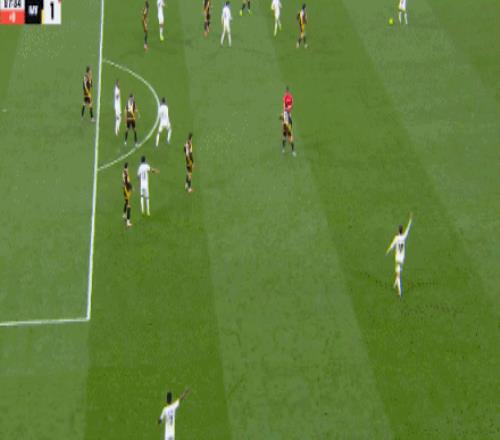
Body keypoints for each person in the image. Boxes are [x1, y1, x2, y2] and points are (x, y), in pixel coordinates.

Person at [386, 214, 413, 297]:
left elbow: (392, 245)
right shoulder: (404, 237)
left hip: (397, 257)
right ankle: (395, 285)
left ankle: (400, 292)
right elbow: (408, 229)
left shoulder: (396, 238)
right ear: (402, 230)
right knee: (398, 271)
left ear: (398, 230)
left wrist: (388, 251)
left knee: (398, 275)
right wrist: (410, 220)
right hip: (402, 258)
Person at [122, 163, 132, 227]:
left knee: (126, 202)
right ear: (127, 167)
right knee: (129, 206)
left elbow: (124, 182)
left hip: (124, 189)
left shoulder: (123, 172)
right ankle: (128, 222)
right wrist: (131, 187)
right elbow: (127, 182)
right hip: (126, 190)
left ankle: (124, 214)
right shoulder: (126, 173)